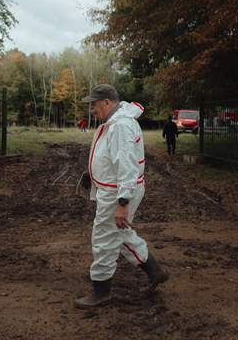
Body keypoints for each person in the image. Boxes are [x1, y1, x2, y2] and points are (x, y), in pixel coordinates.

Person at [74, 84, 169, 309]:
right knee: (120, 234)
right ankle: (155, 271)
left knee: (104, 239)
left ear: (107, 102)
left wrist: (122, 203)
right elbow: (112, 157)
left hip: (118, 192)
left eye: (94, 104)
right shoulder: (115, 123)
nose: (92, 110)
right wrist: (93, 173)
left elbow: (127, 164)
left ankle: (101, 291)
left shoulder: (121, 126)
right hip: (115, 189)